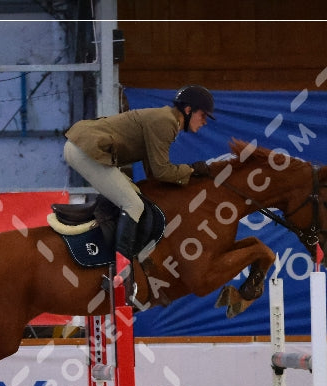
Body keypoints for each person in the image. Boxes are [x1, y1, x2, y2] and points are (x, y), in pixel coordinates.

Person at [63, 84, 215, 297]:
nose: (205, 121)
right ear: (188, 110)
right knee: (133, 203)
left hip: (84, 146)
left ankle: (108, 256)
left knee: (135, 197)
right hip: (85, 149)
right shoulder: (167, 122)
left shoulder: (166, 119)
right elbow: (162, 171)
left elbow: (153, 171)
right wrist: (191, 171)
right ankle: (120, 272)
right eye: (203, 115)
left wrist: (185, 175)